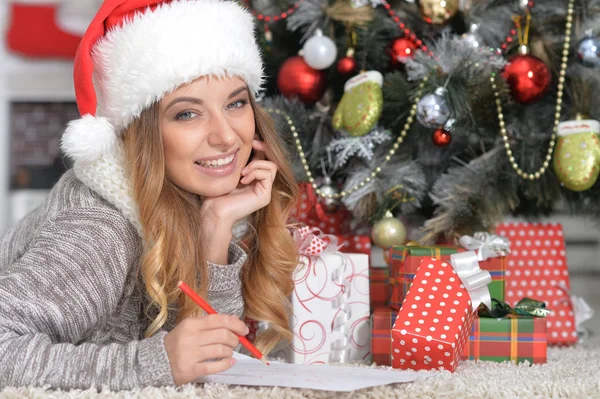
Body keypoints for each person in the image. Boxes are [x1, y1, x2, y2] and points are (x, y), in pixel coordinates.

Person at [0, 0, 299, 391]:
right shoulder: (101, 228)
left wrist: (215, 229)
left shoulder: (193, 200)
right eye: (187, 114)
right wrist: (152, 361)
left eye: (236, 103)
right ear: (143, 134)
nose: (227, 136)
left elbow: (205, 364)